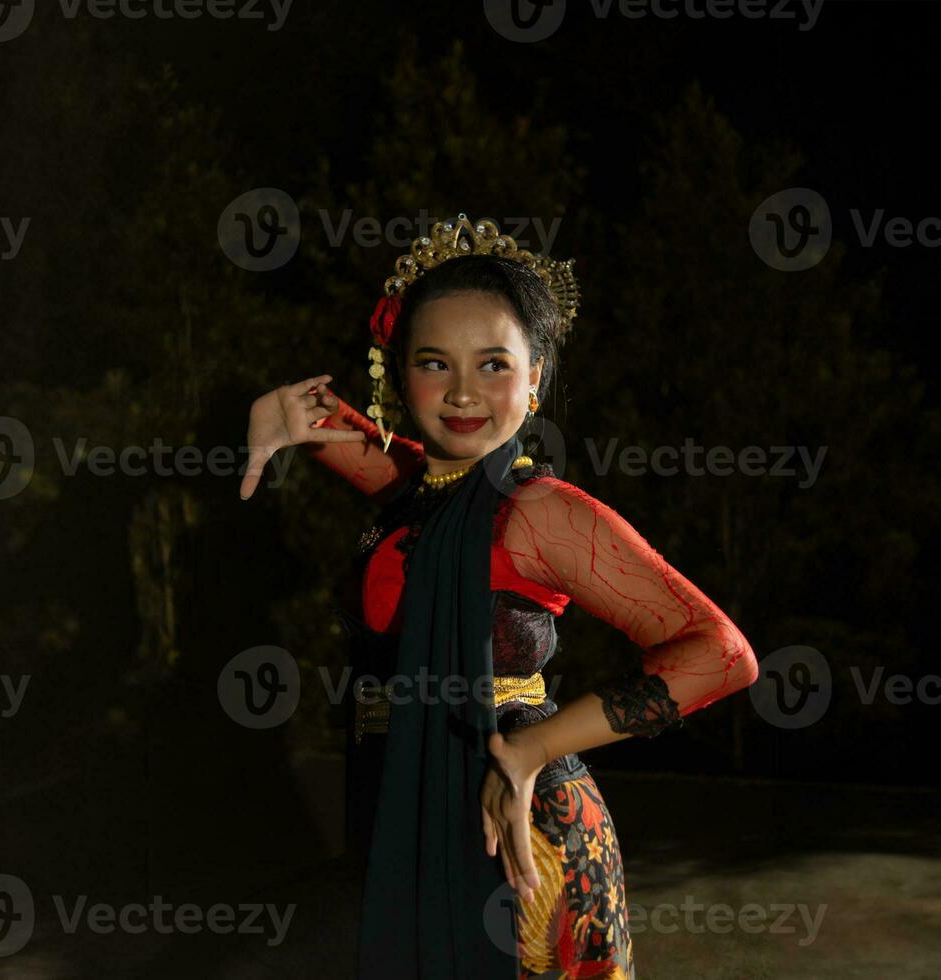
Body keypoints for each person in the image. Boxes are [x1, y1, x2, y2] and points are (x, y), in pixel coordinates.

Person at [239, 215, 758, 979]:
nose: (461, 394)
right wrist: (293, 417)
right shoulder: (424, 492)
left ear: (535, 376)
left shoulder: (542, 512)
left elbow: (723, 655)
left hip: (518, 834)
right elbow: (380, 460)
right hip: (407, 805)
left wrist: (531, 750)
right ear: (396, 374)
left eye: (492, 365)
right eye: (433, 363)